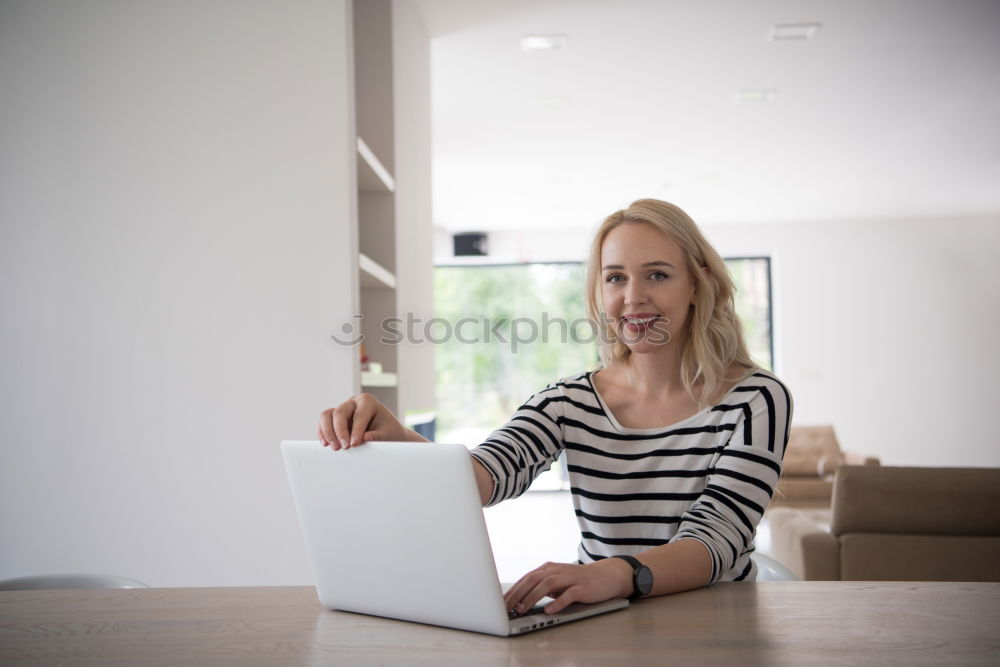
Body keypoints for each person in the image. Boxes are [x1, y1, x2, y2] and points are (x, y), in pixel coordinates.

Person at [317, 198, 792, 617]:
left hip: (717, 625)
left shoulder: (754, 398)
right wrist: (397, 437)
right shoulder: (569, 400)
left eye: (658, 274)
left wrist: (613, 574)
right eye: (615, 278)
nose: (633, 296)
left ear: (697, 284)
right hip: (605, 622)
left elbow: (716, 540)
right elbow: (485, 475)